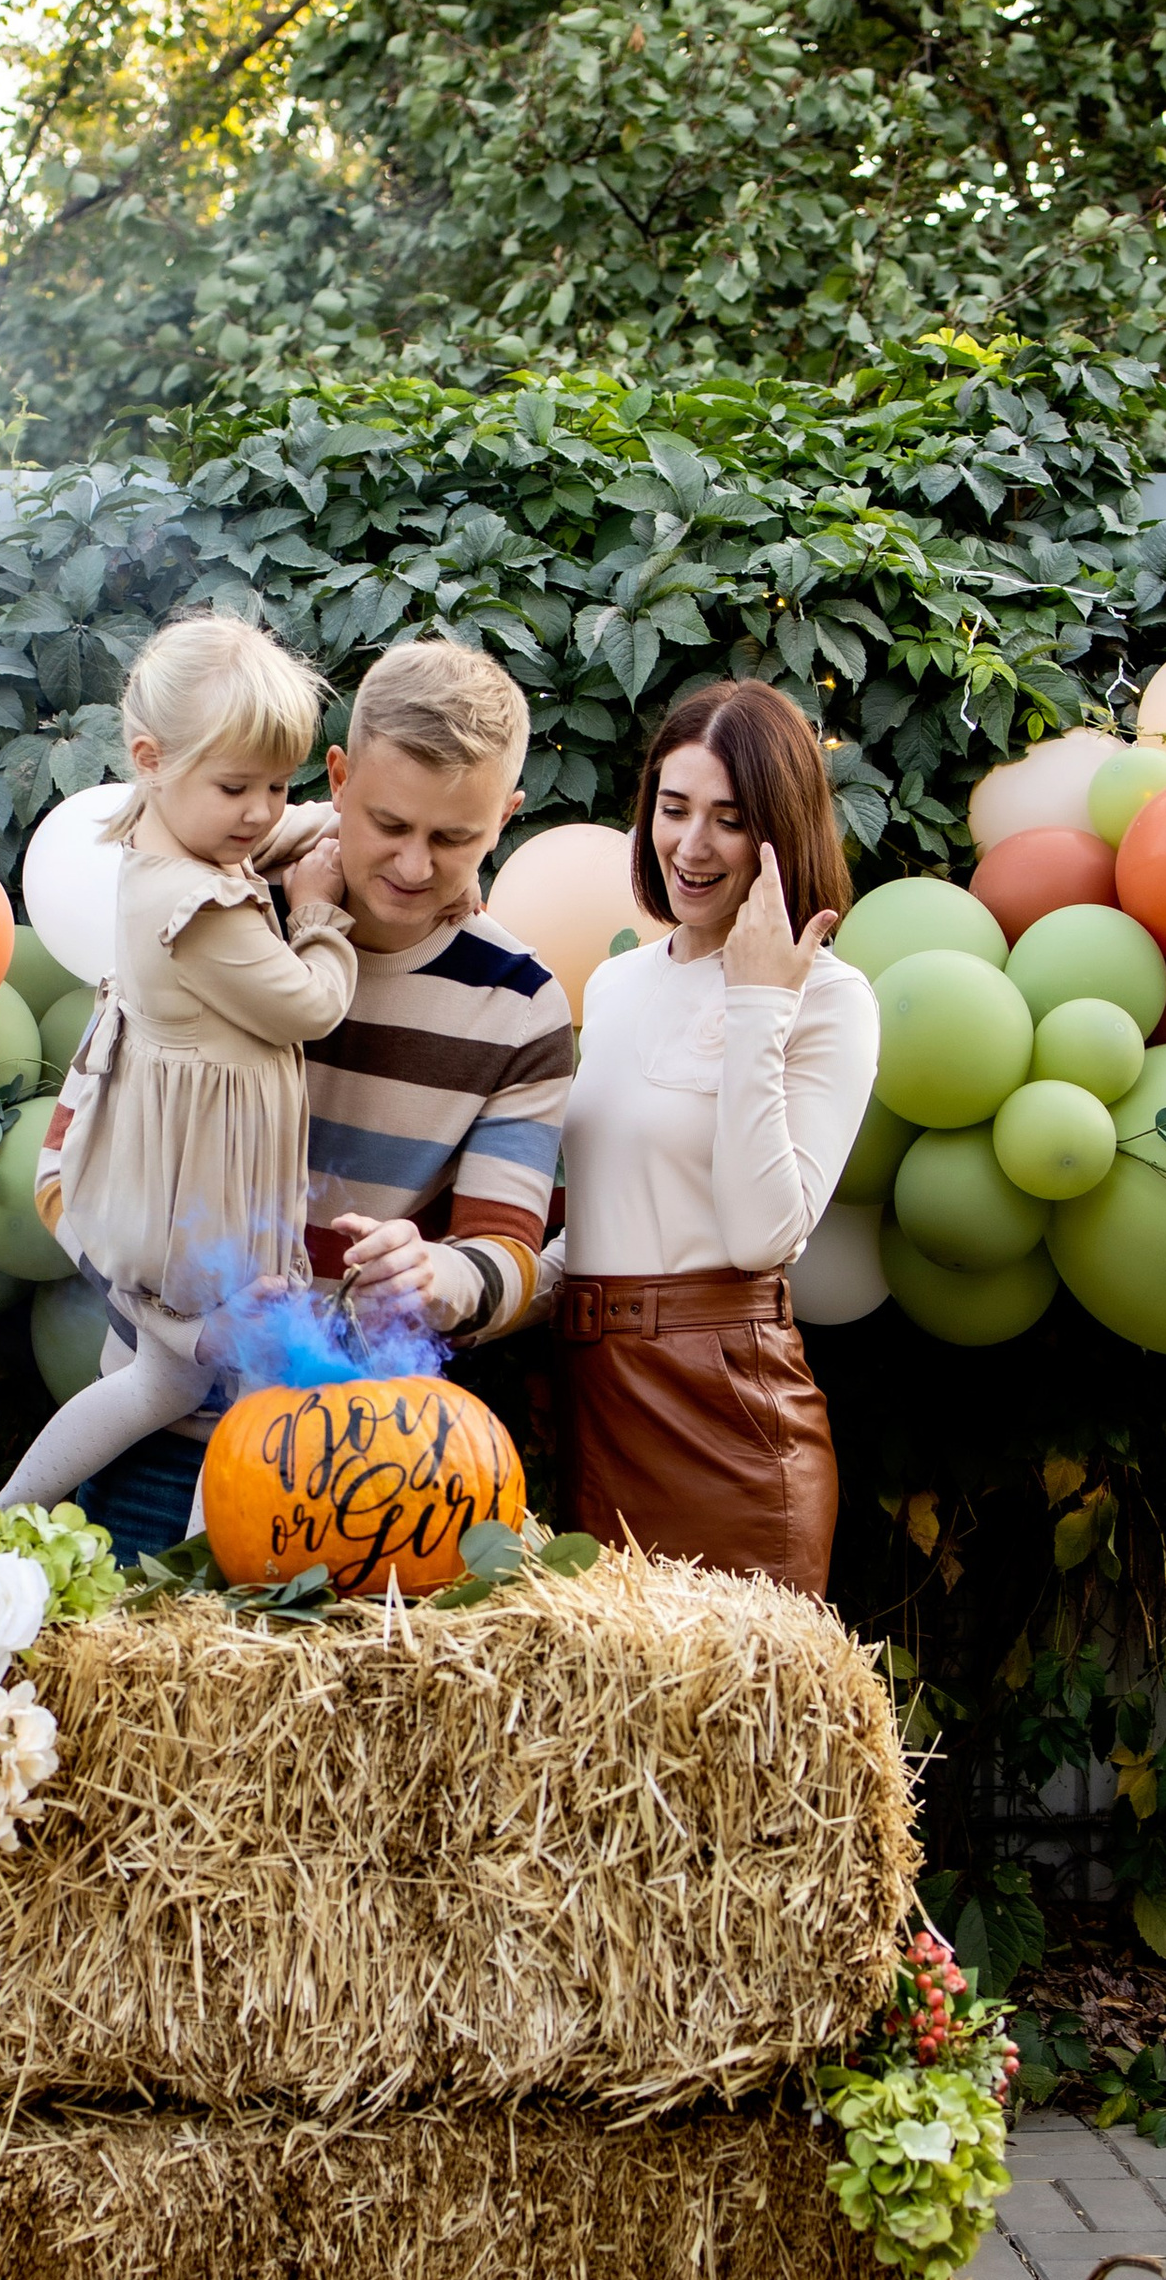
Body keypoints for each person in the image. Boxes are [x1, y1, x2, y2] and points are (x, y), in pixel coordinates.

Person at [44, 636, 576, 1558]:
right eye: (388, 824)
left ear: (506, 817)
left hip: (360, 1472)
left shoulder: (521, 1008)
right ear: (335, 776)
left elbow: (511, 1255)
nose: (413, 865)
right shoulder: (222, 912)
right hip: (153, 1446)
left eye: (453, 838)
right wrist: (185, 1327)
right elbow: (64, 1174)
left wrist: (438, 1276)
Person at [0, 612, 357, 1510]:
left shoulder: (163, 842)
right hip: (210, 1195)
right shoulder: (203, 910)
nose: (262, 812)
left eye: (279, 783)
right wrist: (317, 912)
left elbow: (257, 835)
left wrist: (328, 814)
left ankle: (1, 1513)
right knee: (258, 1390)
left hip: (174, 1171)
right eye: (238, 786)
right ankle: (201, 1583)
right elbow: (312, 1006)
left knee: (167, 1382)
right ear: (151, 759)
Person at [544, 678, 878, 1592]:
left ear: (780, 833)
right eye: (673, 808)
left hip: (724, 1413)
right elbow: (619, 1210)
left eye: (729, 820)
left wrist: (761, 999)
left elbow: (763, 1235)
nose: (690, 846)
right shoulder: (616, 986)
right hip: (587, 1398)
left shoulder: (831, 999)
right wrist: (488, 1284)